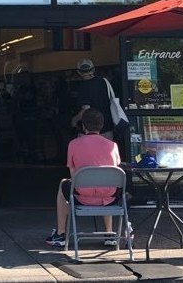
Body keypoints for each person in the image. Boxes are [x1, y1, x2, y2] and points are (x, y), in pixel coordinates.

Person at [45, 108, 121, 248]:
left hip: (82, 195)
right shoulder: (113, 146)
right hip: (108, 195)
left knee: (64, 184)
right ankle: (109, 233)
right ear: (102, 125)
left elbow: (73, 174)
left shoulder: (73, 144)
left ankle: (61, 232)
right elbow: (113, 171)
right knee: (106, 182)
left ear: (83, 125)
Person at [70, 58, 115, 140]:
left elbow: (86, 109)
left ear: (79, 72)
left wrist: (74, 120)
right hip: (107, 128)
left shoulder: (83, 87)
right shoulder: (104, 82)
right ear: (93, 70)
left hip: (90, 131)